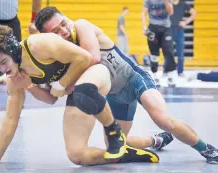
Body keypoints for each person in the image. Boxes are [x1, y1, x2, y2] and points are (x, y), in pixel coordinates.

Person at [32, 6, 217, 164]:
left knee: (163, 119)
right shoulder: (59, 54)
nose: (63, 31)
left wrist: (62, 83)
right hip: (115, 96)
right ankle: (156, 140)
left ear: (67, 19)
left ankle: (206, 148)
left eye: (63, 24)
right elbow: (56, 93)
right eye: (55, 31)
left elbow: (94, 58)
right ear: (48, 37)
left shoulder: (81, 25)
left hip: (134, 79)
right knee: (116, 144)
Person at [0, 25, 159, 165]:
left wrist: (61, 83)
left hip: (97, 72)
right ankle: (134, 150)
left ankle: (114, 132)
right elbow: (14, 116)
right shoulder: (15, 78)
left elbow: (85, 58)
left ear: (12, 49)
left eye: (3, 62)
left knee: (83, 91)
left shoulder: (40, 44)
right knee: (77, 155)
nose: (3, 69)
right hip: (76, 91)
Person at [141, 0, 176, 87]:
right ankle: (155, 74)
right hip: (153, 28)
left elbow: (171, 12)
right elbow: (143, 13)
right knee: (154, 55)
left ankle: (170, 74)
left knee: (168, 51)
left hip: (165, 29)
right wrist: (144, 27)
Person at [170, 0, 197, 76]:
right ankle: (167, 71)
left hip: (179, 29)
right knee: (168, 52)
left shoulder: (183, 4)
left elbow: (194, 13)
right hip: (169, 29)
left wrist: (185, 22)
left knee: (180, 52)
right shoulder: (167, 3)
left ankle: (180, 71)